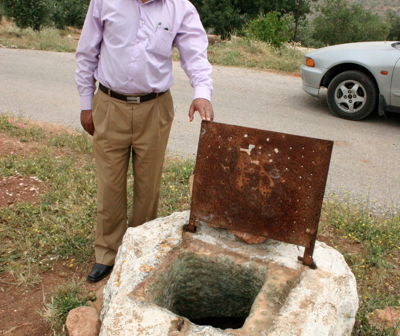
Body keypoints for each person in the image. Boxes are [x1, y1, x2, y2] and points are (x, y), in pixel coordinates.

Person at [75, 0, 214, 283]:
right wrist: (85, 102)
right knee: (109, 184)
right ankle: (107, 254)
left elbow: (195, 54)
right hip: (109, 104)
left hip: (155, 108)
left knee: (148, 185)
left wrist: (202, 92)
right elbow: (87, 52)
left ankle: (138, 251)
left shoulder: (179, 7)